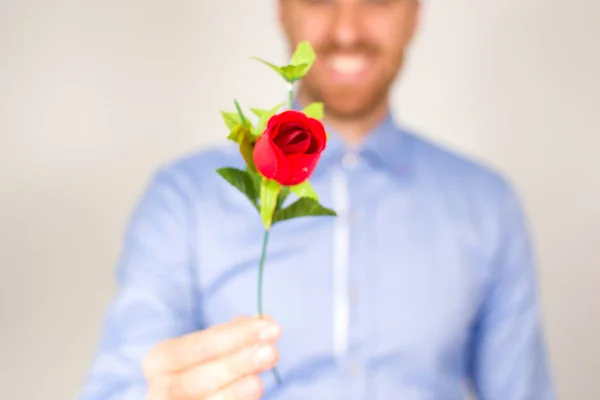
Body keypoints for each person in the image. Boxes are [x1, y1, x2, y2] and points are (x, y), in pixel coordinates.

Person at [80, 0, 555, 399]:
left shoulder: (488, 205)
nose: (346, 29)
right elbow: (118, 383)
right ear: (282, 10)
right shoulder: (184, 199)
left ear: (415, 13)